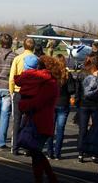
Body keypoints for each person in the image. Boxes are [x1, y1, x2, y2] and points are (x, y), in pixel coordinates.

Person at [14, 55, 60, 183]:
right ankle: (46, 178)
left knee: (36, 152)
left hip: (41, 122)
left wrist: (23, 105)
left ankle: (47, 178)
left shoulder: (49, 84)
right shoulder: (49, 82)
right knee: (36, 153)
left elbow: (38, 102)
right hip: (39, 120)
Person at [9, 37, 35, 155]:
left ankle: (14, 148)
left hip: (18, 92)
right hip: (31, 93)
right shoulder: (37, 60)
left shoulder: (18, 58)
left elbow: (11, 78)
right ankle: (27, 147)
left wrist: (11, 91)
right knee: (29, 121)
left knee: (17, 120)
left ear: (24, 46)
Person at [46, 54, 74, 160]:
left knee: (50, 129)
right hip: (63, 103)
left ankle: (49, 152)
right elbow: (71, 90)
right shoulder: (67, 74)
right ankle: (57, 153)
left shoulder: (51, 74)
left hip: (52, 103)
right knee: (60, 129)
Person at [77, 54, 98, 163]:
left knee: (82, 129)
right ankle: (93, 153)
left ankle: (81, 153)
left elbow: (78, 89)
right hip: (95, 103)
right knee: (95, 129)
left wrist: (77, 101)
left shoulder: (81, 73)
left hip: (83, 104)